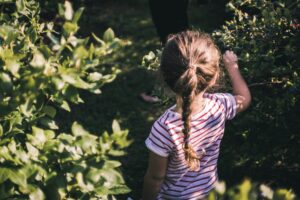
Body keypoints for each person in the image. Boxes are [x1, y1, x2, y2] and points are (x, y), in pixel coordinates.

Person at [142, 30, 251, 199]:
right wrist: (232, 67)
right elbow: (243, 99)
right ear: (214, 77)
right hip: (208, 193)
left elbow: (155, 178)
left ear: (164, 76)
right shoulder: (219, 106)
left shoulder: (164, 128)